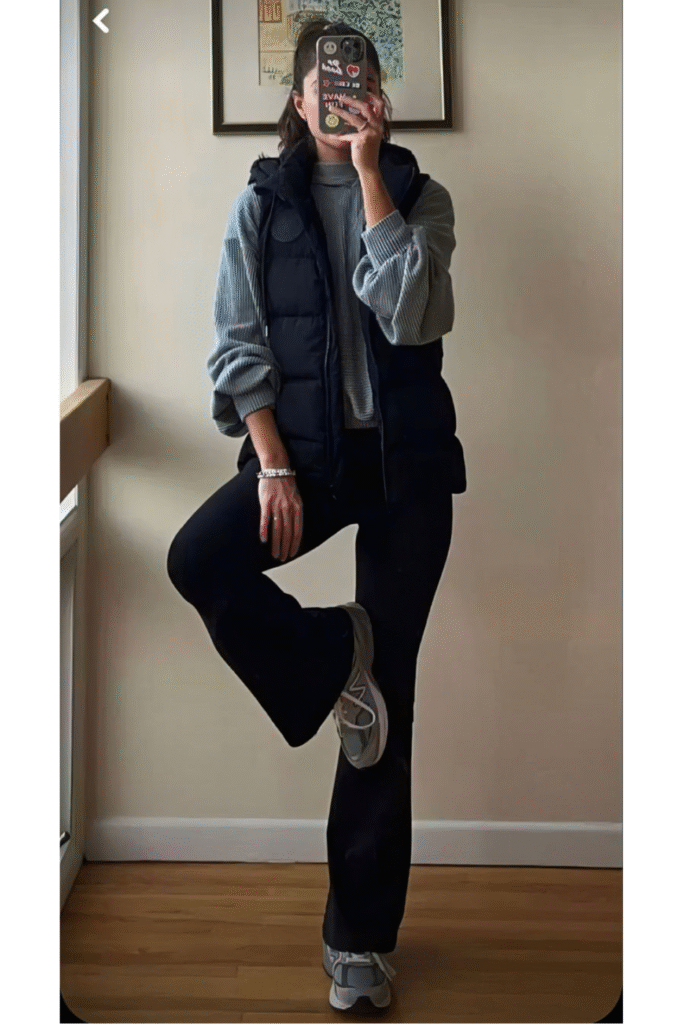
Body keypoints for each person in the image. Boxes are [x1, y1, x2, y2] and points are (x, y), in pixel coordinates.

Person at [166, 17, 466, 1014]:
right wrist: (270, 467)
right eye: (325, 83)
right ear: (297, 101)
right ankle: (337, 653)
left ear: (378, 97)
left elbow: (411, 315)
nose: (342, 95)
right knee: (198, 560)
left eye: (359, 80)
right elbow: (236, 342)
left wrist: (371, 175)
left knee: (388, 708)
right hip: (308, 462)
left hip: (406, 469)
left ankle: (359, 943)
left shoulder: (422, 197)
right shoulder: (261, 203)